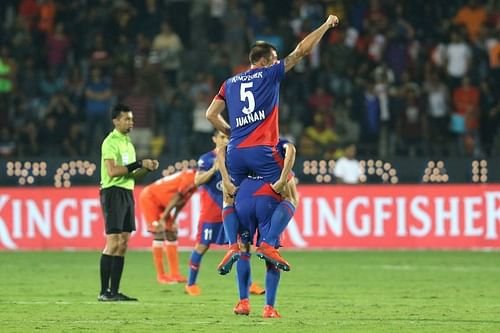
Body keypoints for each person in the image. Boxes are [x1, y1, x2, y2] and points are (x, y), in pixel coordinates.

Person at [206, 14, 339, 273]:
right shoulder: (269, 74)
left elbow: (210, 114)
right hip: (261, 150)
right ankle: (267, 244)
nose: (277, 62)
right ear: (265, 61)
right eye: (274, 59)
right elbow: (301, 51)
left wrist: (231, 132)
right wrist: (325, 24)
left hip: (236, 151)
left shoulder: (230, 83)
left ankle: (232, 245)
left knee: (229, 194)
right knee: (289, 191)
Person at [98, 104, 159, 302]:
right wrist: (138, 163)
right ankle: (103, 292)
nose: (130, 122)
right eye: (127, 119)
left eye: (131, 119)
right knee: (113, 241)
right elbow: (113, 172)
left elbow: (134, 176)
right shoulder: (110, 142)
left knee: (123, 243)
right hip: (113, 192)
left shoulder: (128, 143)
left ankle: (114, 291)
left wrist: (147, 168)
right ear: (115, 121)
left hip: (127, 192)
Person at [139, 168, 199, 284]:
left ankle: (175, 274)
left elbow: (182, 201)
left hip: (163, 202)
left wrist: (174, 219)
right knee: (159, 232)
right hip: (150, 198)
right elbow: (176, 197)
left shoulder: (196, 181)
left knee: (171, 233)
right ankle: (161, 276)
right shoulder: (190, 178)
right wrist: (162, 219)